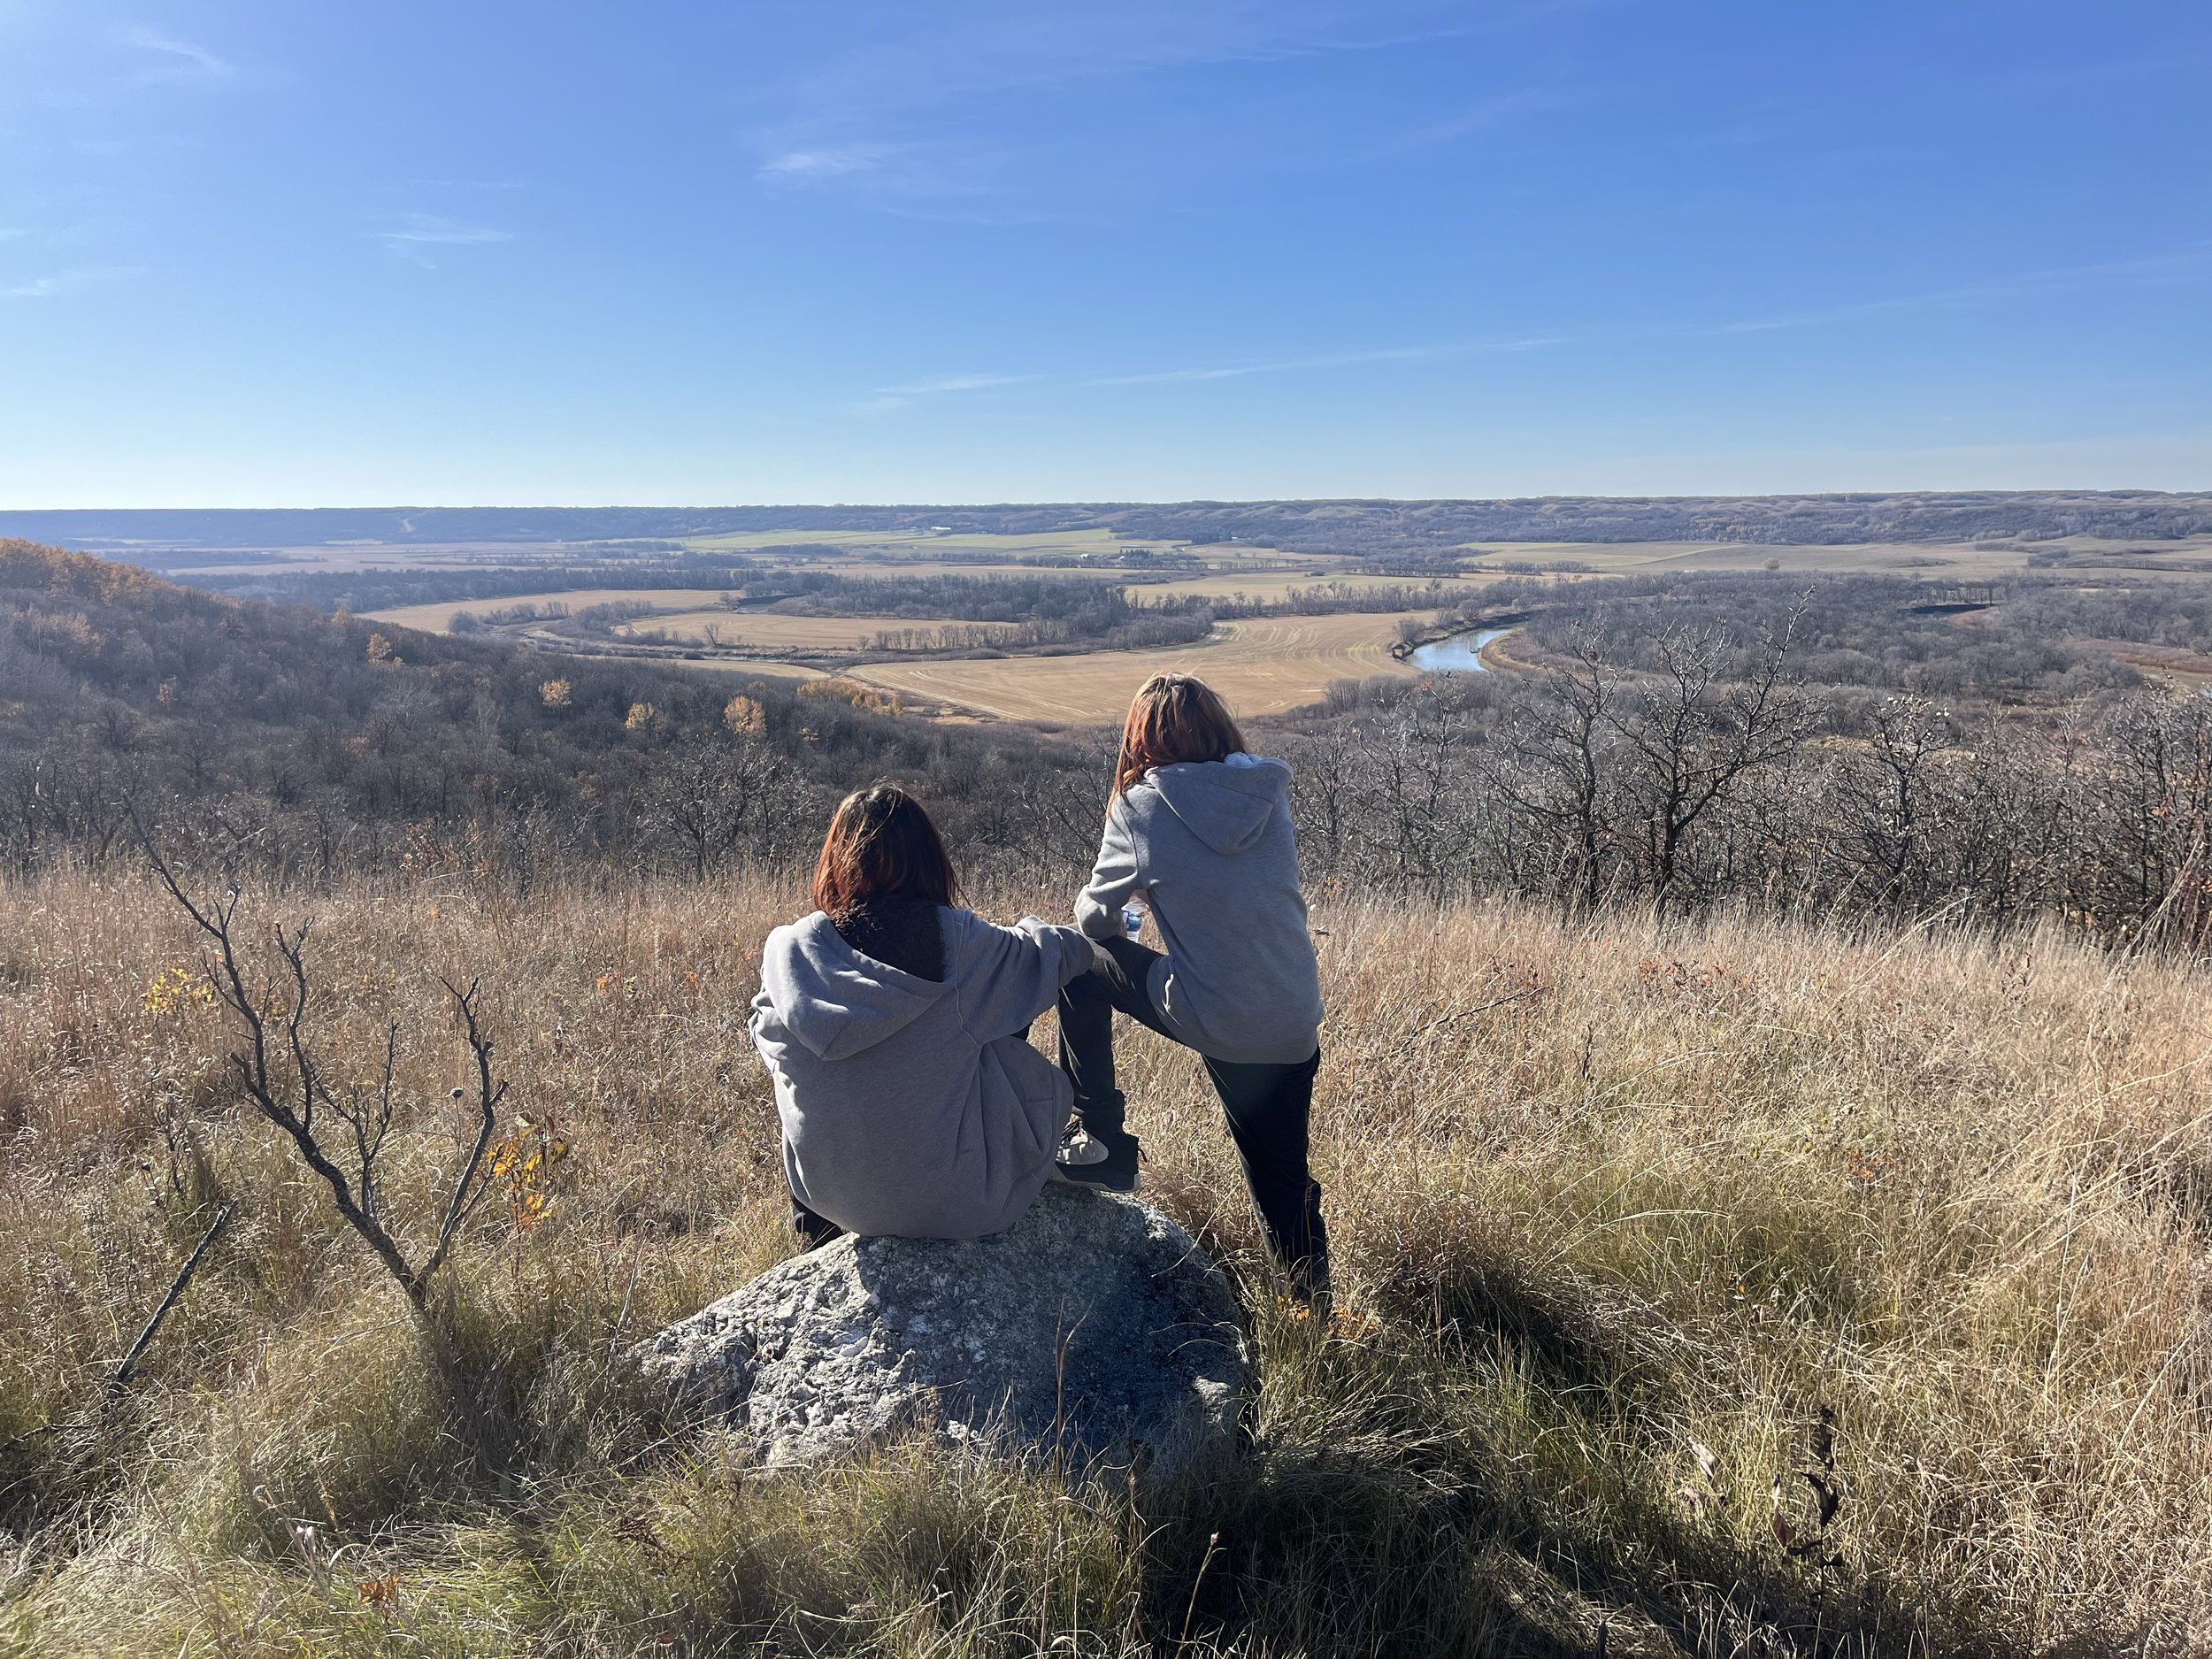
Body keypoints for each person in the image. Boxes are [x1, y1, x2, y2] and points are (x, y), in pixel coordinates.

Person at [1055, 673, 1330, 1305]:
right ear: (1219, 728)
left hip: (1221, 1014)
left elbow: (1094, 922)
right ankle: (1313, 1316)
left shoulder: (1138, 806)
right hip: (1292, 1013)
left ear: (1141, 741)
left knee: (1078, 962)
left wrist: (1137, 903)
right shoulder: (1264, 789)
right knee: (1282, 1180)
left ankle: (1099, 1139)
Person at [750, 783, 1095, 1244]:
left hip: (827, 1198)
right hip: (957, 1204)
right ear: (930, 861)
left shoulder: (791, 951)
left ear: (835, 861)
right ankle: (1064, 1150)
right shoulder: (961, 946)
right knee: (997, 1025)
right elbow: (1057, 955)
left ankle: (815, 1238)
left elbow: (766, 1034)